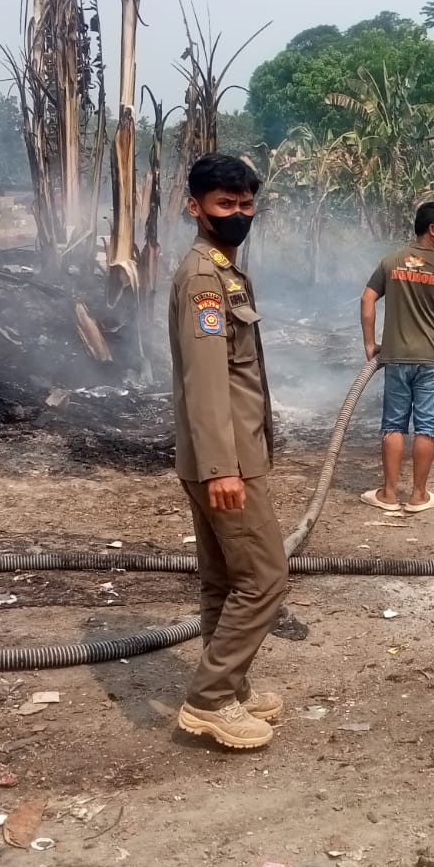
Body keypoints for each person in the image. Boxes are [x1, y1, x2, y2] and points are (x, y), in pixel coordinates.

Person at [169, 152, 287, 750]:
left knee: (224, 580)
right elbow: (207, 381)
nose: (238, 214)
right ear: (195, 207)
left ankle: (230, 686)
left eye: (245, 204)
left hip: (228, 454)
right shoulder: (204, 280)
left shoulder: (225, 272)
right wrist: (223, 469)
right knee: (265, 578)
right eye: (224, 204)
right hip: (226, 460)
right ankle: (210, 699)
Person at [359, 201, 434, 514]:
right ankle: (419, 496)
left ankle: (388, 495)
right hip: (433, 359)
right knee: (427, 427)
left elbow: (367, 299)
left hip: (395, 357)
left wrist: (370, 344)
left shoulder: (391, 261)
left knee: (393, 425)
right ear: (432, 229)